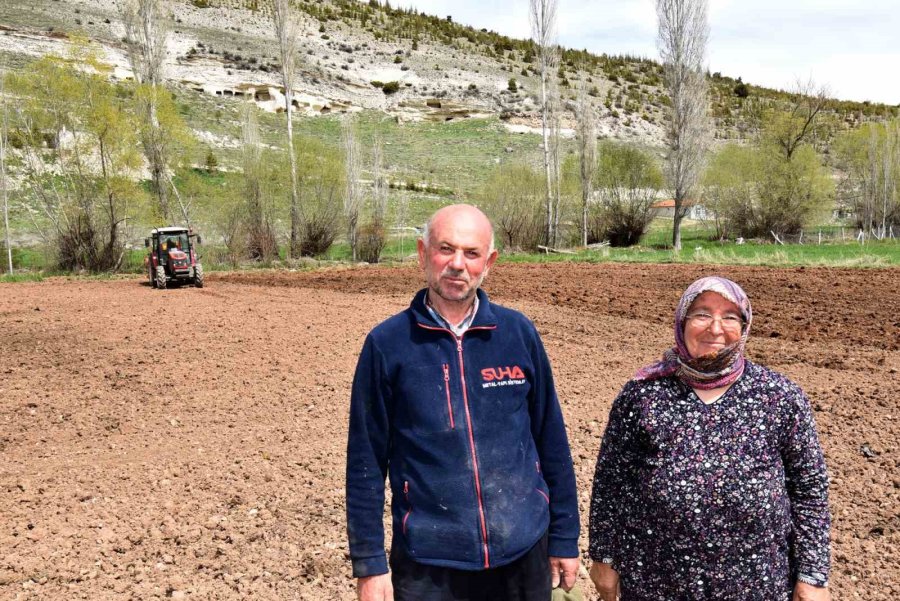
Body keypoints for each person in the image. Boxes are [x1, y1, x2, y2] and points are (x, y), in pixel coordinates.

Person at [346, 204, 580, 601]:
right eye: (445, 249)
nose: (457, 264)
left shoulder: (517, 333)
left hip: (522, 553)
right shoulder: (387, 345)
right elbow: (366, 460)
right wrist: (369, 563)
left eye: (471, 253)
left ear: (488, 262)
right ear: (423, 254)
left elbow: (551, 438)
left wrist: (564, 537)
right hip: (428, 563)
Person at [588, 276, 831, 601]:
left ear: (744, 326)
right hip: (655, 580)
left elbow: (809, 489)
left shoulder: (780, 397)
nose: (715, 328)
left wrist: (812, 574)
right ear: (682, 321)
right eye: (702, 314)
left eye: (730, 317)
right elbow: (611, 481)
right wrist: (604, 555)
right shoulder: (643, 394)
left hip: (757, 583)